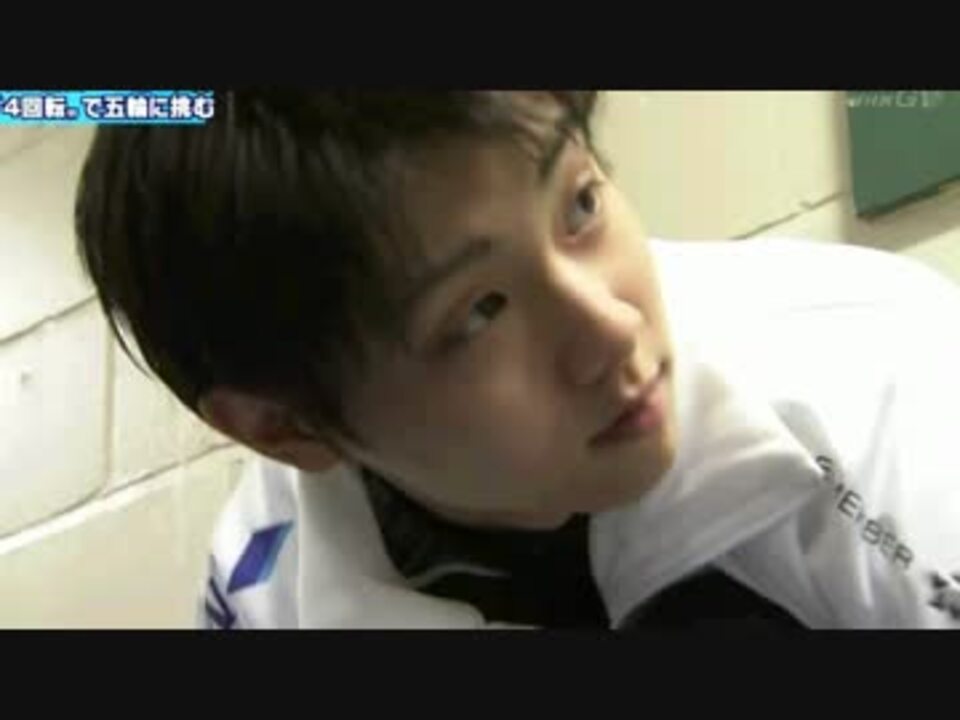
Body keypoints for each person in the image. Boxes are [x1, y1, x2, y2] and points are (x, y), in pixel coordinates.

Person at [74, 91, 960, 629]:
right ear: (284, 425)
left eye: (580, 205)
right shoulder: (267, 595)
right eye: (480, 312)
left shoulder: (885, 375)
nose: (612, 329)